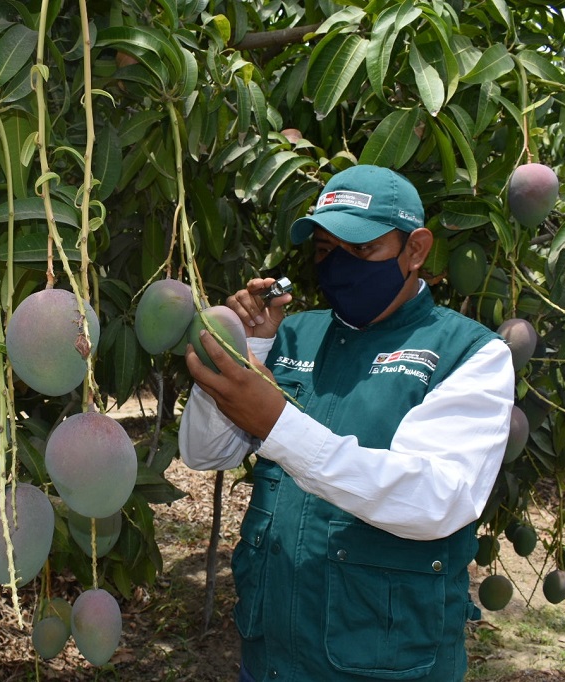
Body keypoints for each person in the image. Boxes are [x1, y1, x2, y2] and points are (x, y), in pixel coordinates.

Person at [178, 165, 515, 681]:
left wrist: (279, 425)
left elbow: (436, 500)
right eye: (324, 251)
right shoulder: (295, 337)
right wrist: (250, 346)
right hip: (270, 661)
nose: (339, 266)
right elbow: (205, 454)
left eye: (361, 250)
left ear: (416, 249)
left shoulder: (471, 354)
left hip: (386, 666)